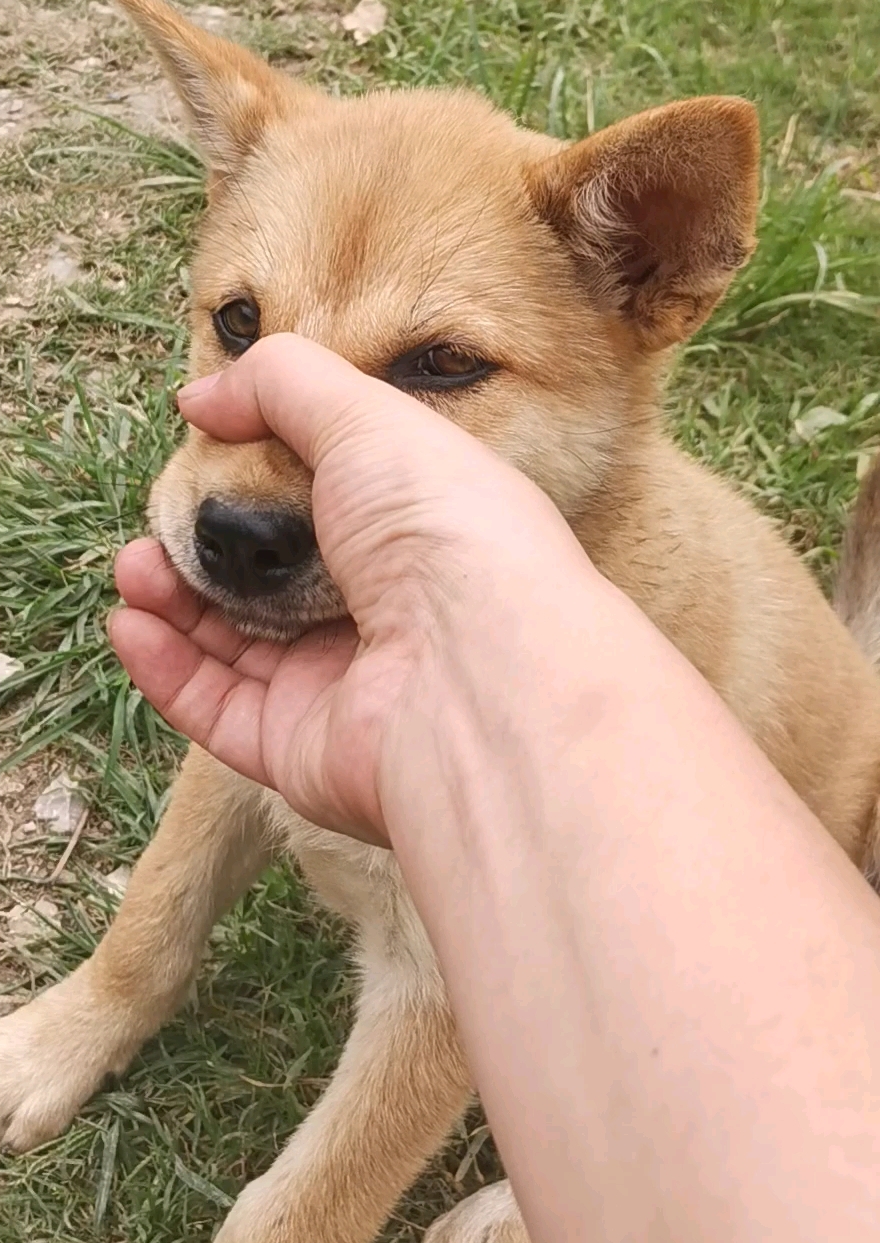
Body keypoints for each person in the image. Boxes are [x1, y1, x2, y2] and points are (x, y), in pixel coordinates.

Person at [109, 334, 880, 1242]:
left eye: (440, 368)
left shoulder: (665, 603)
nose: (250, 492)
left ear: (640, 270)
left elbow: (437, 999)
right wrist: (120, 988)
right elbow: (232, 761)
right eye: (242, 322)